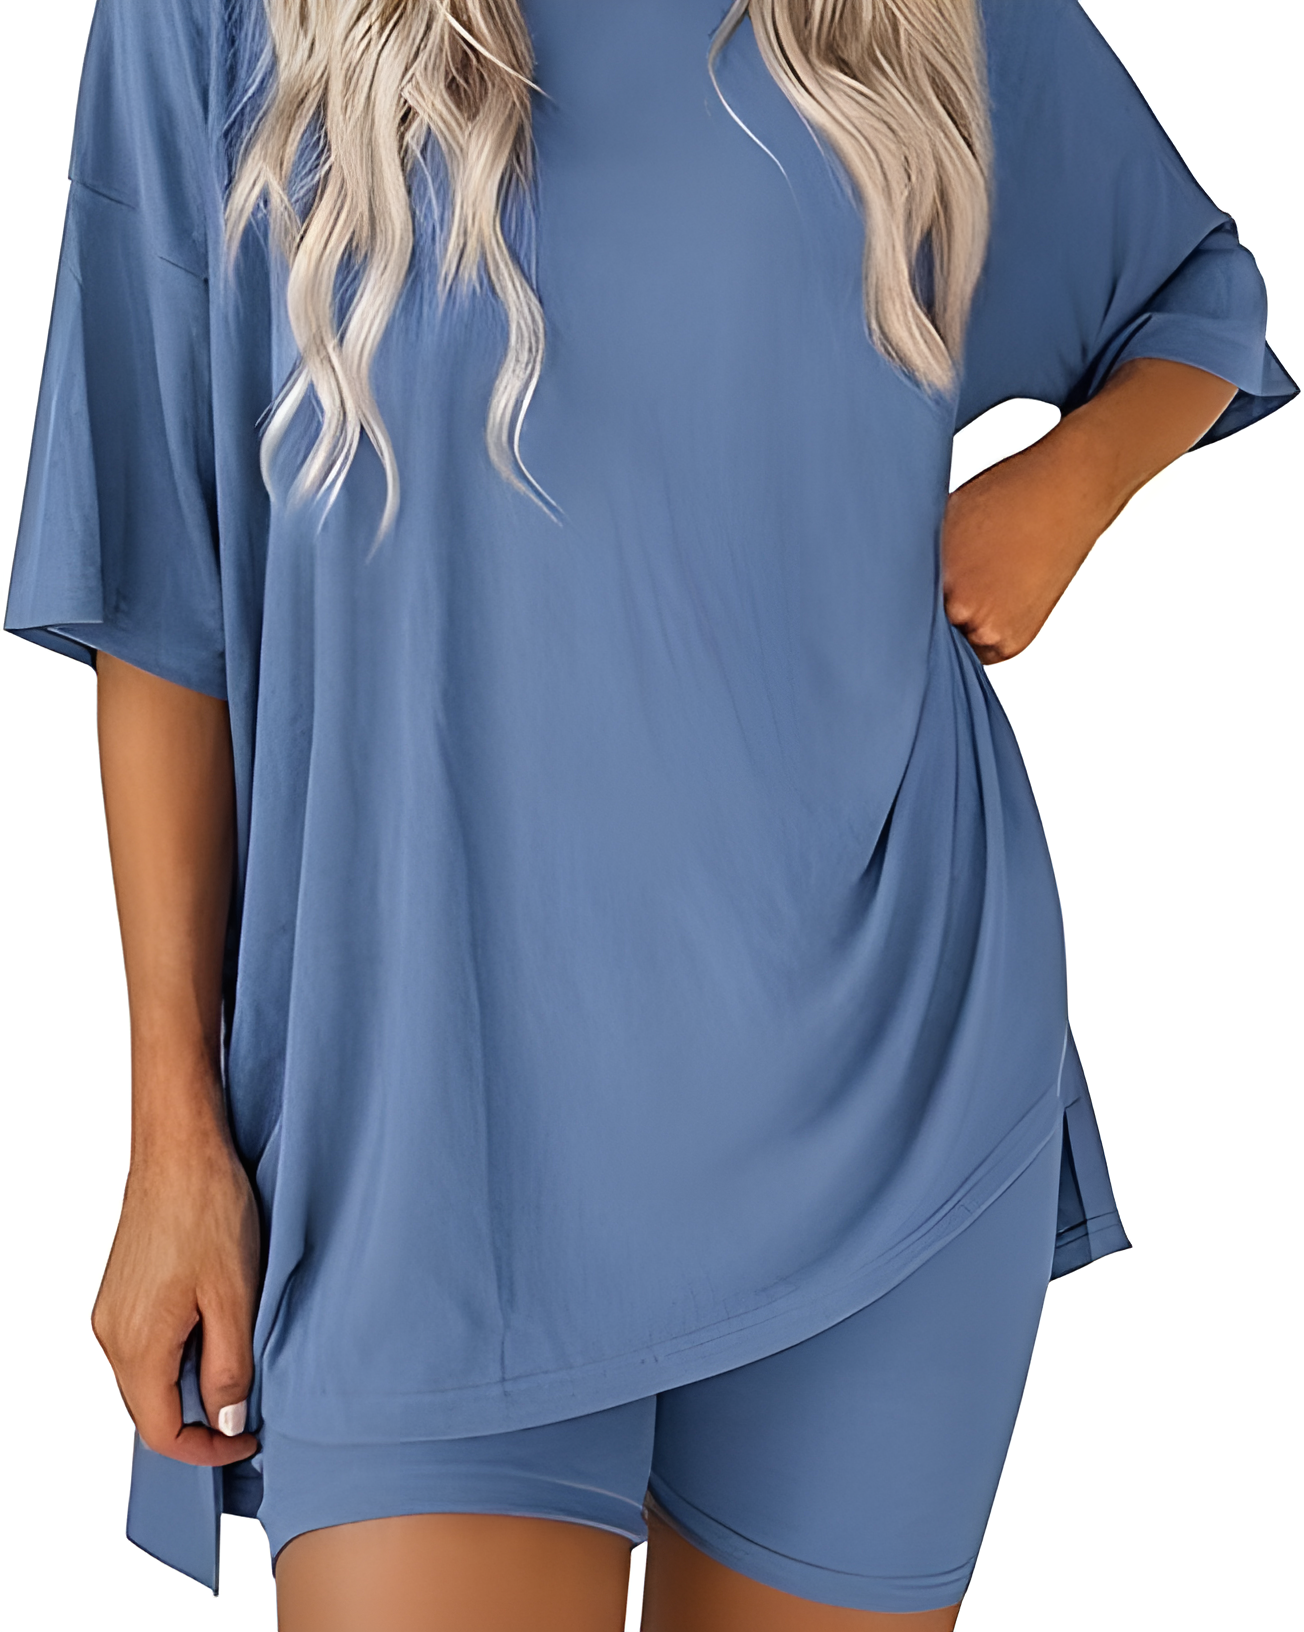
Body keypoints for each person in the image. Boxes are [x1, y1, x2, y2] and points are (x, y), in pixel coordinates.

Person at [5, 0, 1294, 1627]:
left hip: (884, 1074)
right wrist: (172, 1133)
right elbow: (158, 599)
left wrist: (1066, 491)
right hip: (420, 1139)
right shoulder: (214, 19)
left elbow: (1194, 294)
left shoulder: (902, 15)